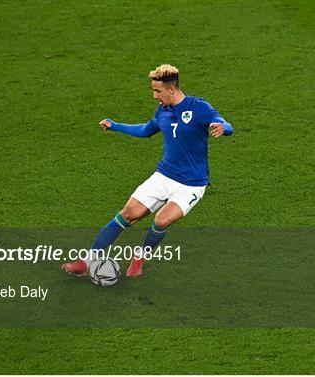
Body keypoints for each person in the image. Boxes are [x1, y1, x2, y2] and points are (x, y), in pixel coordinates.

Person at [62, 64, 233, 278]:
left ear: (172, 89)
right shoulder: (163, 110)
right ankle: (87, 262)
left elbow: (225, 124)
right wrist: (115, 125)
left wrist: (222, 128)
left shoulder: (199, 107)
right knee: (127, 214)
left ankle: (140, 256)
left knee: (161, 220)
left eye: (158, 91)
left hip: (191, 184)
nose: (154, 96)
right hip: (163, 176)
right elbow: (145, 130)